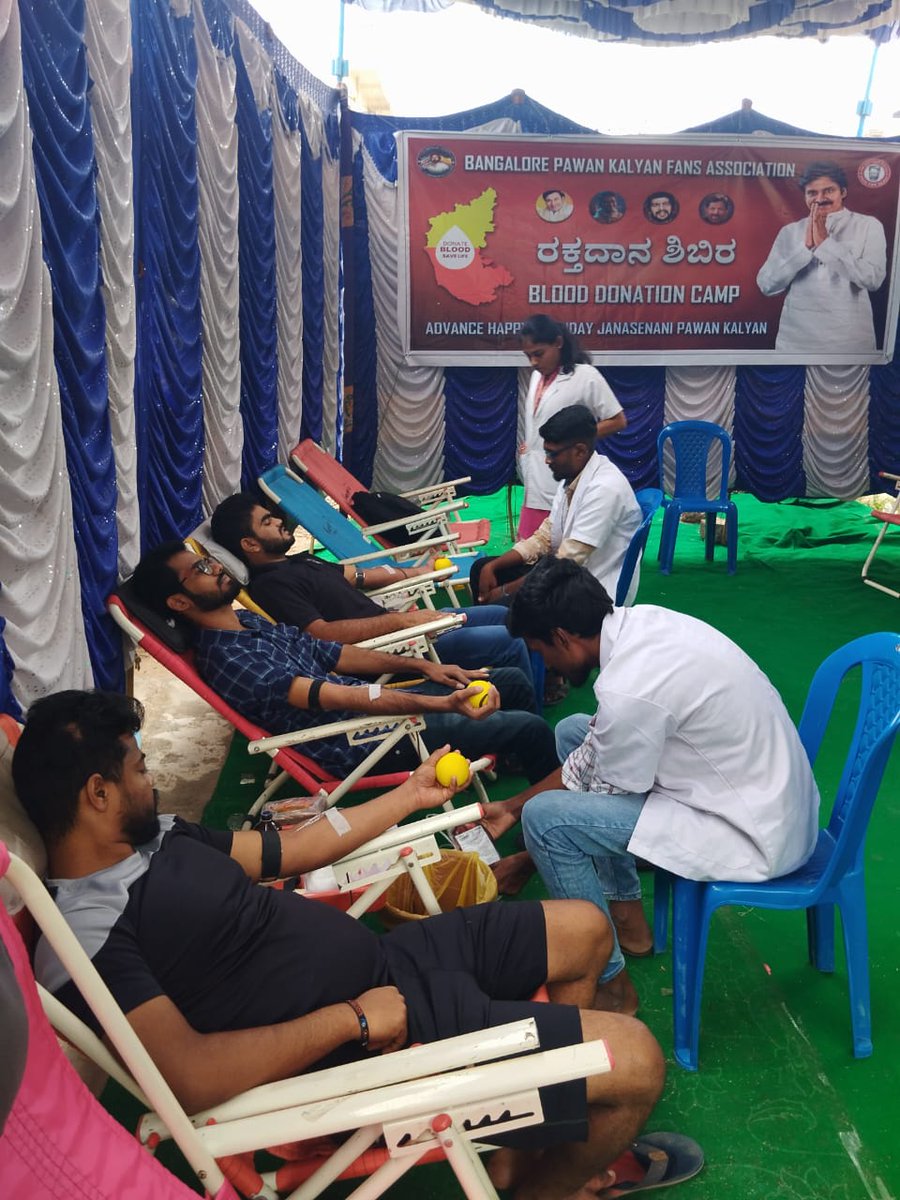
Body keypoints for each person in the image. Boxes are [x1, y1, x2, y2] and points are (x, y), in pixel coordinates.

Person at [13, 689, 705, 1200]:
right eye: (138, 769)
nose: (152, 779)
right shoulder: (92, 933)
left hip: (391, 971)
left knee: (583, 928)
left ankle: (524, 1151)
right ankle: (539, 1191)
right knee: (636, 1061)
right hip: (372, 1038)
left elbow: (300, 846)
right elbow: (189, 1075)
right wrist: (357, 1020)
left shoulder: (158, 835)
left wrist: (411, 792)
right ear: (98, 795)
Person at [488, 558, 820, 1010]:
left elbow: (604, 782)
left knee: (546, 822)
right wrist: (510, 807)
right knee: (571, 732)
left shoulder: (628, 688)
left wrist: (527, 843)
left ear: (563, 636)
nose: (547, 665)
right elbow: (594, 757)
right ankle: (629, 921)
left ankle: (610, 983)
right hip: (762, 794)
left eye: (541, 651)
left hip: (750, 831)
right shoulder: (640, 625)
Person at [130, 542, 560, 784]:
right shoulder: (229, 659)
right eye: (200, 570)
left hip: (372, 711)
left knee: (510, 680)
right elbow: (337, 693)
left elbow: (332, 654)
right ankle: (538, 817)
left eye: (207, 559)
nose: (215, 568)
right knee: (532, 726)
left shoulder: (244, 621)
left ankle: (523, 763)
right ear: (179, 601)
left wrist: (425, 669)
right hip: (357, 741)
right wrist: (438, 703)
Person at [209, 493, 536, 684]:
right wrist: (400, 622)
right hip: (391, 648)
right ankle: (525, 739)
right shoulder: (273, 586)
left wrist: (416, 571)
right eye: (267, 522)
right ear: (250, 544)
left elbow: (358, 577)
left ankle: (533, 685)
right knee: (514, 639)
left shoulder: (296, 562)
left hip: (407, 628)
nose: (279, 521)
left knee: (503, 612)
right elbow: (321, 635)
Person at [472, 406, 642, 608]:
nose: (546, 460)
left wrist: (504, 592)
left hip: (590, 590)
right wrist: (494, 565)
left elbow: (565, 563)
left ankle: (505, 634)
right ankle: (497, 627)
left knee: (515, 599)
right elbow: (544, 537)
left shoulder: (606, 489)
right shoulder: (571, 478)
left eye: (552, 454)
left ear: (580, 450)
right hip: (570, 574)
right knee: (482, 568)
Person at [756, 160, 886, 353]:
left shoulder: (868, 225)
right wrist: (805, 249)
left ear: (843, 192)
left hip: (849, 341)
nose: (820, 198)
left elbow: (873, 280)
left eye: (828, 191)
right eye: (812, 193)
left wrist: (826, 244)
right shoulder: (791, 231)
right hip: (795, 342)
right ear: (805, 197)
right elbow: (767, 285)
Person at [518, 314, 626, 539]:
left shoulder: (585, 375)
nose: (533, 363)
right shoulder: (537, 378)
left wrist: (575, 439)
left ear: (558, 343)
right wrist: (530, 447)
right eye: (528, 356)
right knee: (530, 548)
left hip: (564, 475)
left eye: (539, 354)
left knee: (557, 547)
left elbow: (618, 420)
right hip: (534, 477)